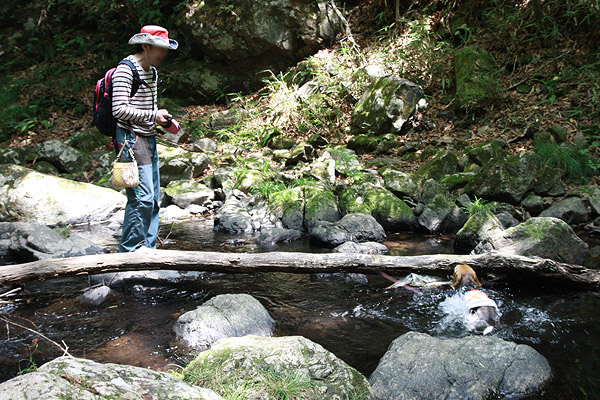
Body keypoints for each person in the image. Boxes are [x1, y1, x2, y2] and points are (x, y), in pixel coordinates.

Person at [112, 25, 178, 252]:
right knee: (142, 197)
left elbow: (148, 106)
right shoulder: (125, 70)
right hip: (129, 139)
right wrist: (153, 115)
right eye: (159, 48)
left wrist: (160, 116)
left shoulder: (152, 71)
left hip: (148, 138)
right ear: (145, 45)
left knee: (153, 198)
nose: (163, 53)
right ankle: (130, 251)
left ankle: (148, 249)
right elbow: (118, 109)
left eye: (165, 48)